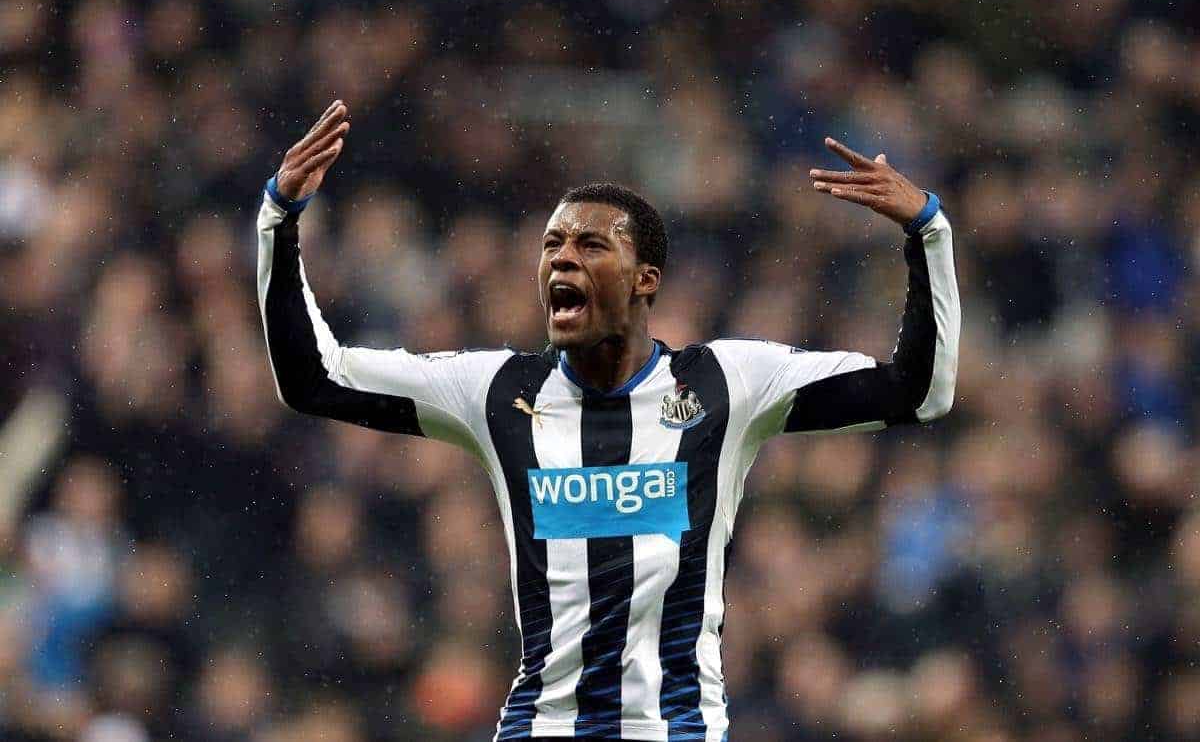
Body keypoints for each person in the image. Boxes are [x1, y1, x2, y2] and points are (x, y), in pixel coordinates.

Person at [255, 100, 960, 742]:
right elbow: (316, 378)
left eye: (591, 245)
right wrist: (279, 220)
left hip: (675, 729)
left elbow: (917, 390)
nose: (562, 255)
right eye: (552, 244)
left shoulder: (725, 382)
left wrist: (927, 231)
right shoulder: (498, 391)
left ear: (645, 278)